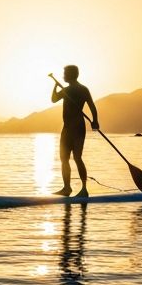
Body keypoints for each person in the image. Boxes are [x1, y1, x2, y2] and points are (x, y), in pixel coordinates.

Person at [51, 65, 99, 197]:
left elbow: (91, 105)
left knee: (77, 157)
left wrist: (95, 121)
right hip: (67, 128)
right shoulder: (71, 90)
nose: (63, 76)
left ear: (71, 75)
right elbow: (54, 99)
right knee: (64, 158)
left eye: (65, 74)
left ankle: (84, 189)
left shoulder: (79, 89)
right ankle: (67, 188)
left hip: (77, 128)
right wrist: (55, 85)